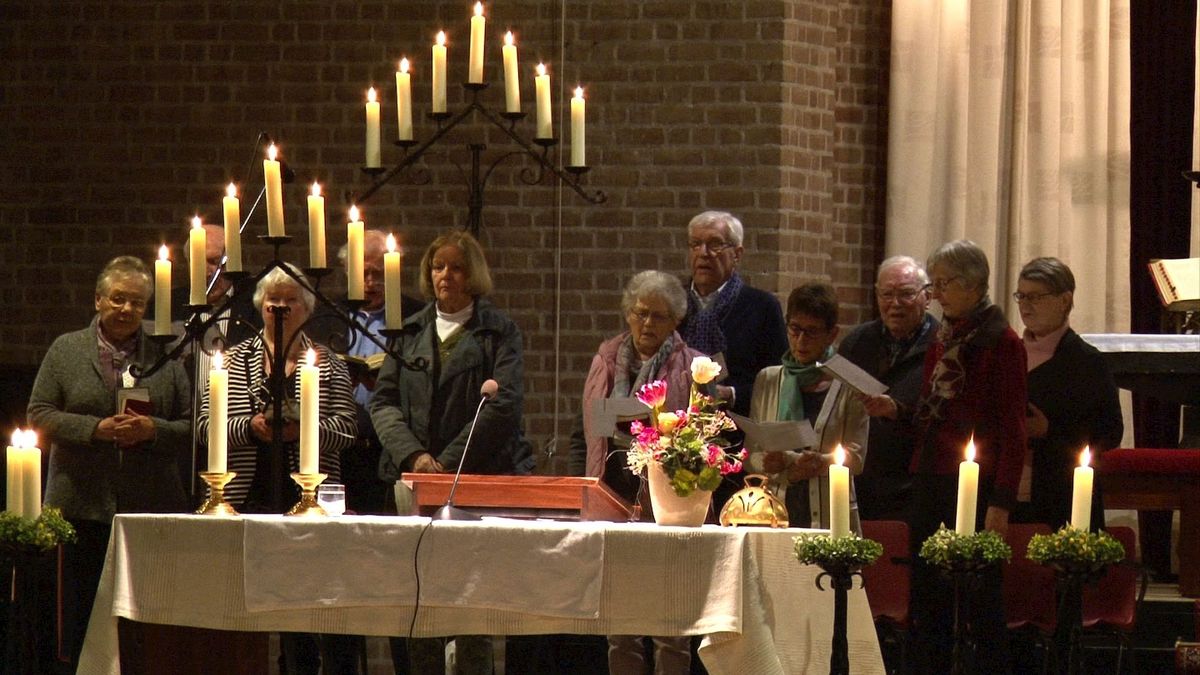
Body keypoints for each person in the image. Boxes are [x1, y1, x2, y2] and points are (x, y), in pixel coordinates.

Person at [370, 230, 529, 674]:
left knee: (469, 603)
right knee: (419, 601)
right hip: (413, 481)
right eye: (438, 266)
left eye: (456, 266)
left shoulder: (499, 331)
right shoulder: (409, 330)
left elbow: (504, 406)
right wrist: (415, 457)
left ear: (473, 274)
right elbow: (384, 402)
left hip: (475, 480)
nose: (445, 274)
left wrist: (447, 464)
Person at [27, 256, 191, 669]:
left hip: (149, 508)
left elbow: (192, 427)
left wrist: (153, 430)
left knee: (145, 621)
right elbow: (39, 413)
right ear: (98, 300)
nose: (126, 309)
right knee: (81, 618)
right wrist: (95, 428)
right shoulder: (66, 350)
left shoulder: (165, 357)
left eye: (137, 302)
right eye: (118, 299)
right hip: (81, 507)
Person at [195, 263, 357, 675]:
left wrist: (301, 433)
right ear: (260, 307)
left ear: (306, 309)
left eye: (290, 301)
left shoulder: (330, 363)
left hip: (308, 499)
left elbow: (346, 430)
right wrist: (250, 428)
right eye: (273, 301)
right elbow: (203, 427)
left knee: (304, 615)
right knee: (240, 609)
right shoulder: (230, 360)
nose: (280, 308)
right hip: (246, 495)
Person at [899, 240, 1027, 674]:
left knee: (979, 597)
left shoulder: (1001, 342)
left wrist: (1002, 502)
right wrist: (895, 411)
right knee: (927, 593)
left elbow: (1013, 429)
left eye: (946, 283)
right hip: (932, 477)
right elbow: (931, 414)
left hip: (978, 482)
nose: (937, 293)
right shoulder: (942, 336)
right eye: (934, 284)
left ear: (974, 285)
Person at [566, 270, 701, 675]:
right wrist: (583, 491)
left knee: (669, 624)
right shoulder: (605, 359)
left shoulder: (692, 366)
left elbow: (701, 439)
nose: (647, 324)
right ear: (628, 314)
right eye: (640, 313)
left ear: (675, 321)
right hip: (613, 496)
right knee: (620, 623)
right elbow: (583, 431)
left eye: (658, 317)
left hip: (666, 505)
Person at [308, 229, 426, 516]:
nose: (371, 283)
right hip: (336, 449)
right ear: (348, 272)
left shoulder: (414, 318)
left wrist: (386, 381)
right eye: (363, 273)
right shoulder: (325, 316)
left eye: (379, 274)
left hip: (388, 446)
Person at [746, 282, 868, 532]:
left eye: (811, 332)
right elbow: (751, 453)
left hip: (829, 516)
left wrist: (820, 462)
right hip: (775, 511)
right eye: (795, 329)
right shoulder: (768, 378)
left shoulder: (850, 382)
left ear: (832, 334)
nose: (801, 340)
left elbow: (856, 458)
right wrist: (767, 463)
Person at [1012, 257, 1123, 530]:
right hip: (1006, 494)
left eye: (1035, 297)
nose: (1025, 305)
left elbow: (1110, 432)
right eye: (1021, 296)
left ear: (1064, 300)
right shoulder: (1007, 354)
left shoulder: (1087, 362)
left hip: (1061, 494)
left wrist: (1049, 431)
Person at [839, 256, 938, 522]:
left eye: (906, 294)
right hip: (862, 482)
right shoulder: (856, 343)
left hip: (916, 484)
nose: (895, 304)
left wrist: (898, 410)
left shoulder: (942, 346)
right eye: (887, 294)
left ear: (927, 297)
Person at [678, 211, 787, 417]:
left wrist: (733, 395)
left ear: (737, 254)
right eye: (696, 244)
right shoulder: (673, 304)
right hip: (677, 426)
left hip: (739, 428)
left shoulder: (761, 307)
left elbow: (778, 381)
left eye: (715, 244)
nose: (703, 253)